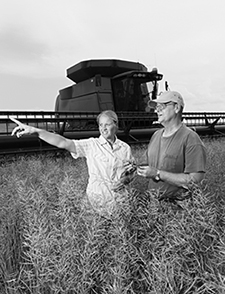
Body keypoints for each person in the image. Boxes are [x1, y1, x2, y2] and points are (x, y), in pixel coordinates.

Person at [10, 110, 134, 215]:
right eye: (101, 125)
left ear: (116, 125)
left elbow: (129, 173)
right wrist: (35, 131)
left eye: (107, 124)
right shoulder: (92, 145)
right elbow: (63, 142)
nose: (103, 128)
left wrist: (127, 178)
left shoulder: (125, 148)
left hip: (120, 204)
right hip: (97, 206)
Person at [136, 91, 207, 201]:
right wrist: (132, 169)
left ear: (176, 108)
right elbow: (147, 165)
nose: (157, 110)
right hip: (153, 207)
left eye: (162, 106)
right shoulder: (156, 135)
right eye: (156, 107)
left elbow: (194, 181)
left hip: (179, 211)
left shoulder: (190, 138)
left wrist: (158, 174)